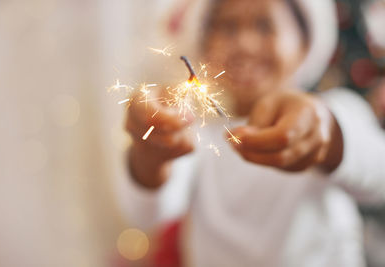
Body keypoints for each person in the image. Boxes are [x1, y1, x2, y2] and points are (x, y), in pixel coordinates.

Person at [119, 0, 385, 266]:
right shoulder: (197, 137)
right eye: (228, 28)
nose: (245, 44)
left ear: (305, 42)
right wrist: (150, 152)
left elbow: (377, 173)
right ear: (204, 46)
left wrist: (327, 136)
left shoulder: (336, 112)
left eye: (264, 26)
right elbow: (149, 213)